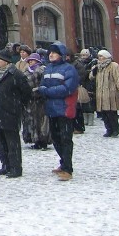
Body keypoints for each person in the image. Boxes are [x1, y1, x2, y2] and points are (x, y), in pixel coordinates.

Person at [37, 41, 79, 181]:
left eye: (54, 53)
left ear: (61, 55)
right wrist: (44, 90)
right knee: (55, 138)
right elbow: (42, 85)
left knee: (65, 139)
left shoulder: (69, 69)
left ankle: (68, 168)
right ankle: (63, 163)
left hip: (65, 109)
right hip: (51, 109)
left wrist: (47, 91)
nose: (51, 55)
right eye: (50, 53)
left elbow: (68, 89)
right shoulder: (48, 69)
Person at [0, 51, 32, 179]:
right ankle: (6, 165)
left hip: (10, 112)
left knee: (12, 142)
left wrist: (16, 104)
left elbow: (26, 92)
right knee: (0, 142)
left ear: (6, 61)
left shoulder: (16, 74)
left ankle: (15, 167)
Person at [90, 49, 119, 138]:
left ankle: (115, 129)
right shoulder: (98, 67)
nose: (100, 58)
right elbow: (91, 77)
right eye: (99, 56)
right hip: (100, 93)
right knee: (104, 113)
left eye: (101, 56)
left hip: (111, 93)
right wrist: (93, 72)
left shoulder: (114, 65)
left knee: (111, 113)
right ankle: (108, 129)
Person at [21, 53, 50, 150]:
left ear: (37, 61)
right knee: (32, 121)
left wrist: (38, 90)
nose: (30, 62)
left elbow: (46, 84)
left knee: (42, 121)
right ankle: (35, 140)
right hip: (31, 100)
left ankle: (43, 140)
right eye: (29, 61)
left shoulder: (42, 70)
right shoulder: (26, 72)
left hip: (41, 100)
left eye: (32, 61)